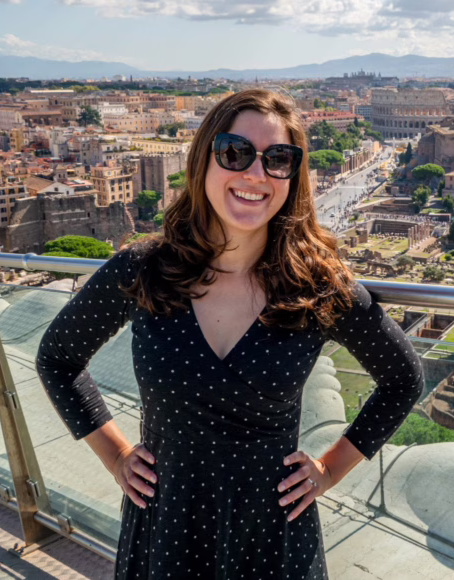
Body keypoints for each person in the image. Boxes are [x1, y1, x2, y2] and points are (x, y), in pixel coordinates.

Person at [36, 89, 424, 579]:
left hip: (271, 535)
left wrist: (328, 470)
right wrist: (115, 455)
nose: (256, 174)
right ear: (204, 162)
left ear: (293, 176)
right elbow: (57, 359)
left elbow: (403, 379)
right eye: (235, 153)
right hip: (167, 525)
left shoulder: (319, 288)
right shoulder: (143, 269)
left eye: (278, 159)